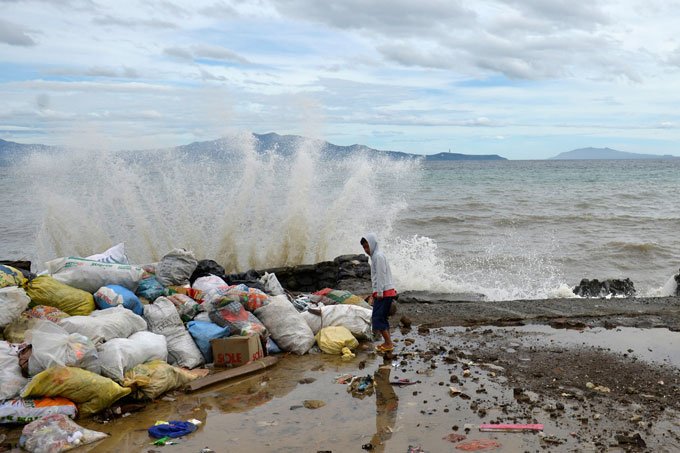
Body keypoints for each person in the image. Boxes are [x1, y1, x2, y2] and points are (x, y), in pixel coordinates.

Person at [361, 233, 397, 352]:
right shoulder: (376, 256)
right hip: (384, 291)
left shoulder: (378, 257)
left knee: (377, 318)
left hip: (384, 292)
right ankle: (388, 342)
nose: (366, 250)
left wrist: (379, 293)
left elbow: (381, 275)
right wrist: (375, 292)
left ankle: (388, 343)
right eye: (364, 248)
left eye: (367, 247)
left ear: (372, 244)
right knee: (382, 317)